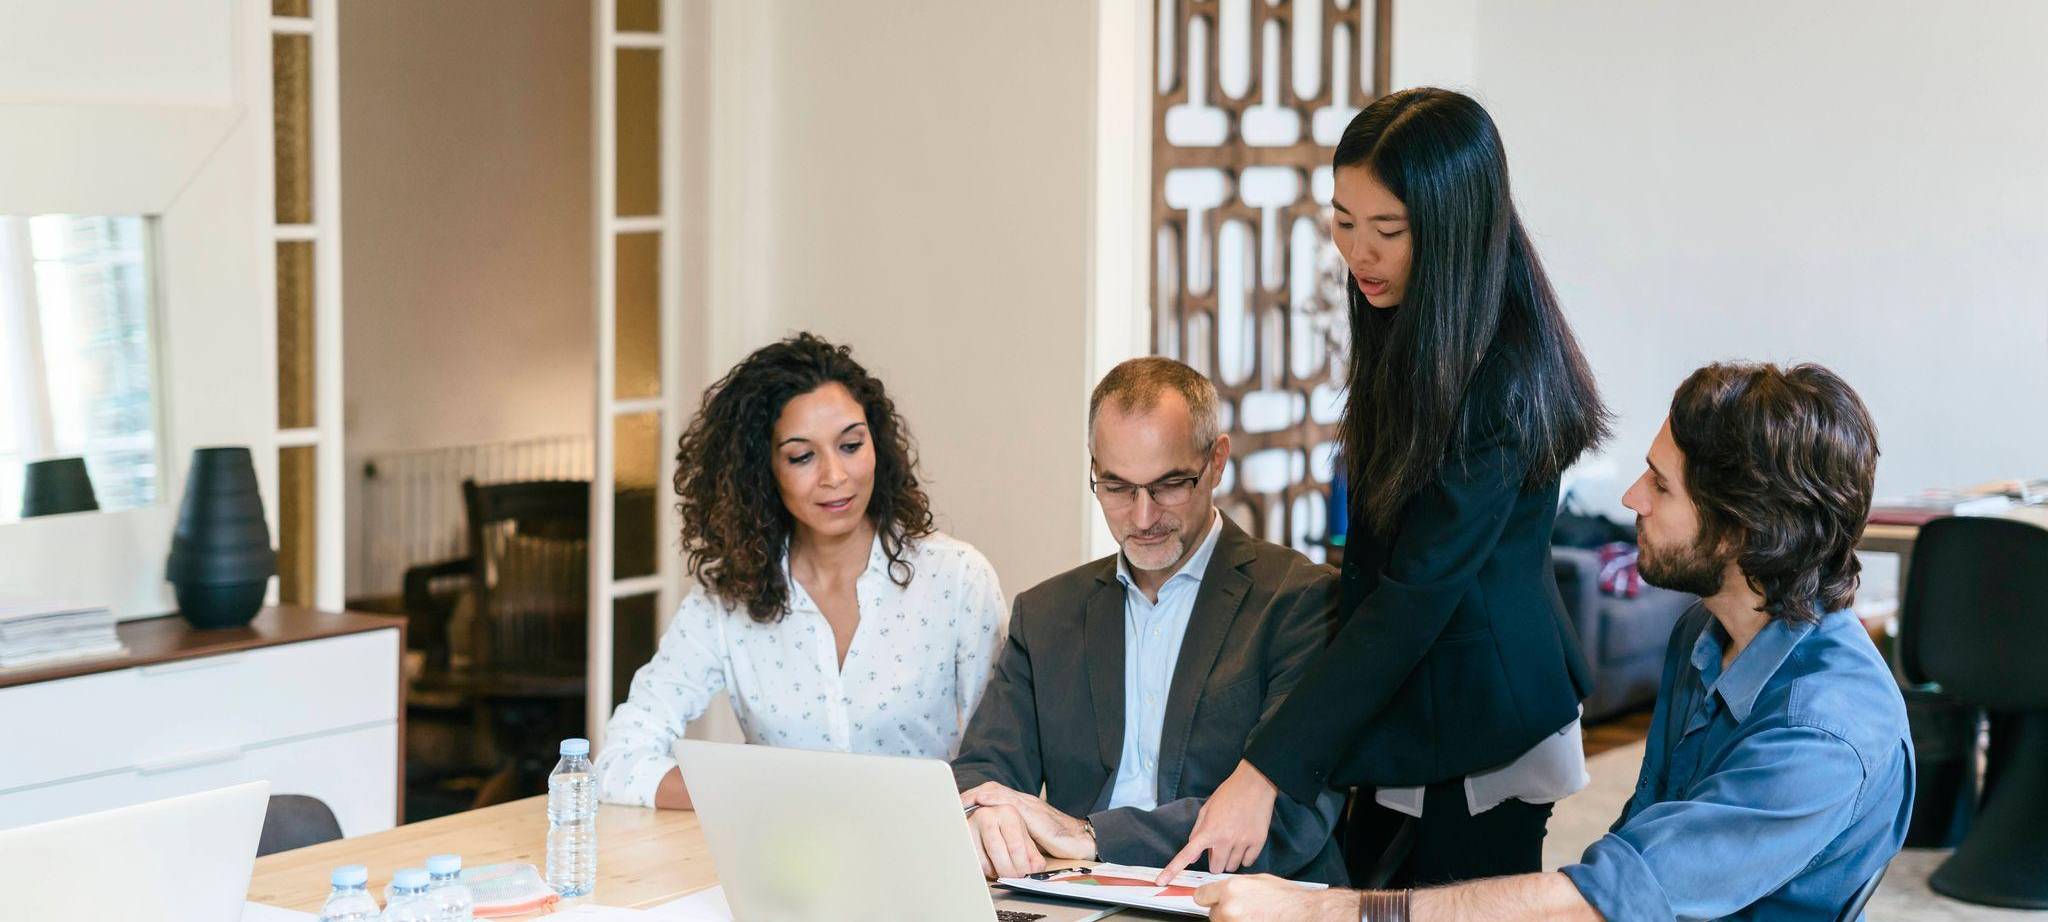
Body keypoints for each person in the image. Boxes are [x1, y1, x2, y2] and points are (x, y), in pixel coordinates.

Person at [1193, 362, 1915, 921]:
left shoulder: (1825, 733)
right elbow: (1633, 844)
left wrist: (1330, 910)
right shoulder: (1706, 631)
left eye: (1661, 487)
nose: (1632, 498)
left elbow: (1611, 898)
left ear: (1740, 533)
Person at [1165, 86, 1609, 886]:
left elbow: (1412, 595)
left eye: (1387, 231)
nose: (1357, 253)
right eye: (1342, 221)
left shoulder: (1501, 376)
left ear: (1451, 230)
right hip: (1418, 696)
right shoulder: (1409, 311)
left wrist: (1262, 772)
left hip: (1485, 710)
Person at [950, 357, 1347, 883]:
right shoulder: (1045, 615)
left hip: (1241, 899)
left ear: (1217, 462)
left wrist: (1089, 836)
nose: (1141, 517)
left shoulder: (1300, 600)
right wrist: (989, 816)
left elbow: (1294, 815)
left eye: (1169, 485)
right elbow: (981, 774)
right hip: (1074, 898)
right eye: (1116, 487)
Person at [595, 333, 1008, 808]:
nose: (835, 476)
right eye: (802, 456)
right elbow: (620, 759)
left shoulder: (956, 579)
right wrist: (762, 796)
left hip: (929, 864)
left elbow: (998, 768)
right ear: (761, 470)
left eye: (851, 445)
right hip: (785, 870)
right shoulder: (727, 601)